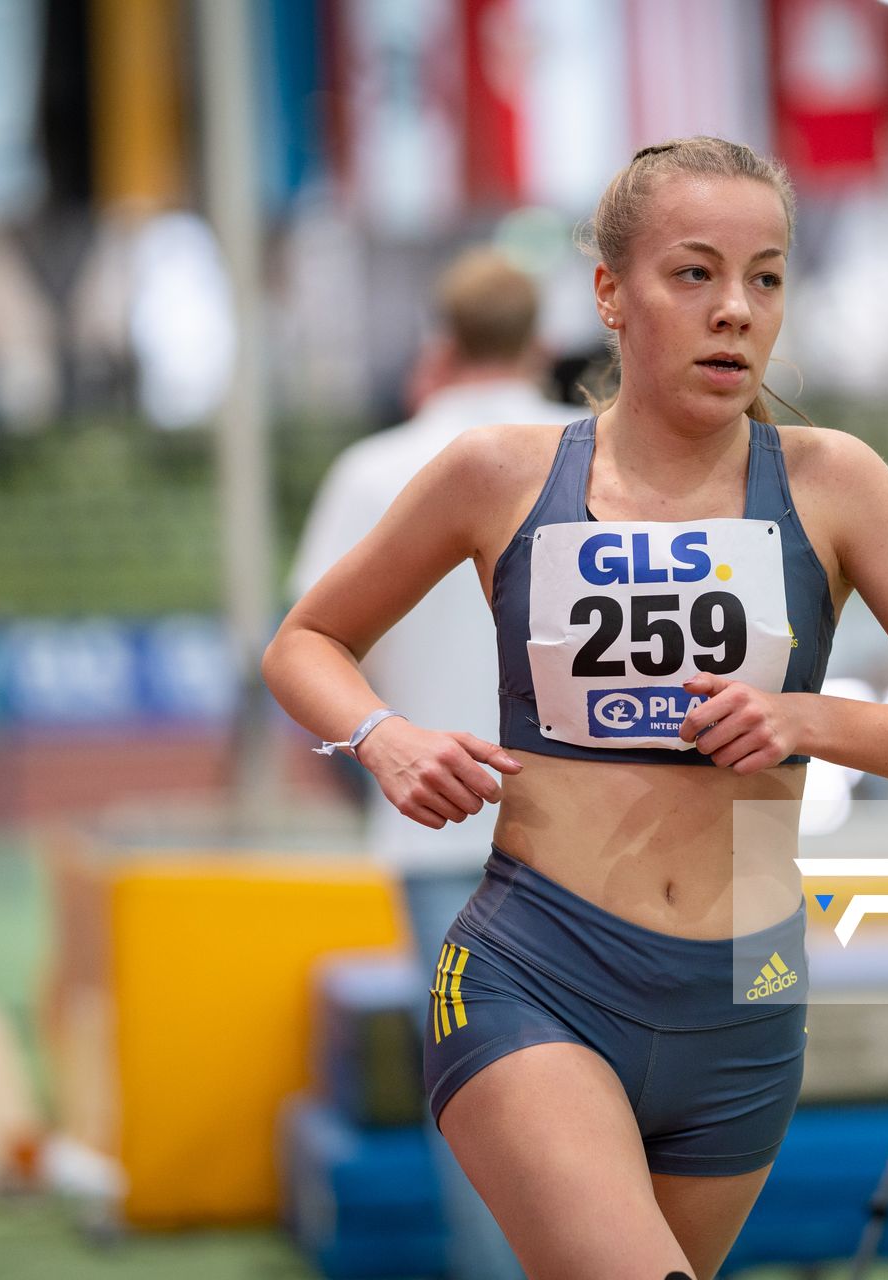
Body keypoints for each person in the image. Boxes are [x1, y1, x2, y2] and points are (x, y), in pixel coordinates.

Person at [263, 136, 888, 1280]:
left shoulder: (835, 482)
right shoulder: (499, 473)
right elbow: (305, 641)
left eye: (766, 276)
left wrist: (809, 719)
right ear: (610, 296)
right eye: (695, 273)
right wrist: (384, 735)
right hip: (538, 969)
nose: (736, 309)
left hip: (744, 1000)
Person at [288, 247, 580, 1280]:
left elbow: (312, 644)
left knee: (481, 1092)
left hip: (437, 823)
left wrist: (366, 750)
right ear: (543, 341)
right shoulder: (590, 451)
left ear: (441, 345)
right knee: (609, 1085)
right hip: (587, 826)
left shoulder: (374, 468)